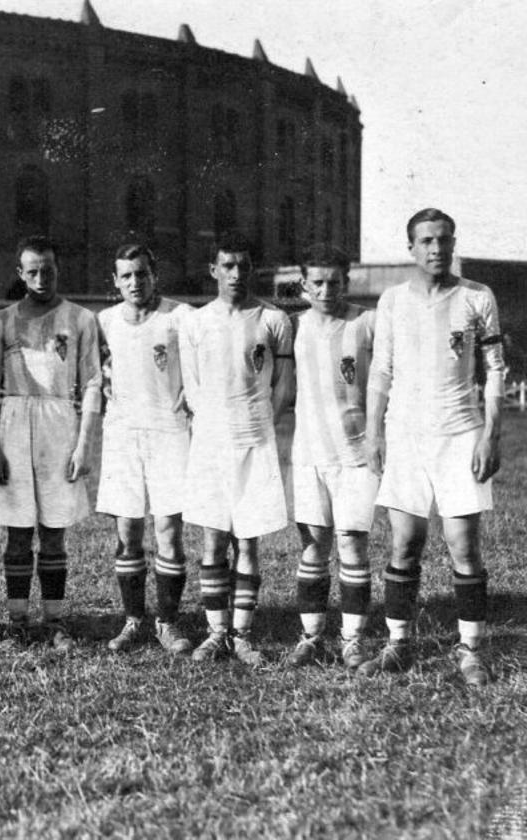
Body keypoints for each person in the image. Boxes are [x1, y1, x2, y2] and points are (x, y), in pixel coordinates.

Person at [359, 208, 505, 687]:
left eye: (443, 240)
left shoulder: (477, 296)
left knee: (463, 545)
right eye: (425, 241)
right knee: (405, 542)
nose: (436, 249)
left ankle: (471, 650)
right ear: (411, 248)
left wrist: (491, 432)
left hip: (460, 433)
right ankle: (398, 644)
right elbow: (380, 371)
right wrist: (375, 433)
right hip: (405, 434)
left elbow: (495, 370)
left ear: (453, 242)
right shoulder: (393, 301)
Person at [0, 236, 102, 651]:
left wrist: (84, 445)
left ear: (57, 268)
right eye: (32, 271)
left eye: (47, 269)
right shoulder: (1, 321)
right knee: (16, 532)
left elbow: (91, 385)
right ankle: (16, 621)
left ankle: (54, 620)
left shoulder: (81, 319)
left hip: (58, 424)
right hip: (13, 423)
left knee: (52, 531)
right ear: (20, 274)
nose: (41, 277)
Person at [178, 232, 293, 667]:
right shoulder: (195, 321)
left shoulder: (274, 319)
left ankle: (242, 634)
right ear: (213, 270)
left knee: (248, 541)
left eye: (244, 265)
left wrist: (262, 424)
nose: (237, 273)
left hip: (255, 440)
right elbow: (192, 387)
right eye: (228, 265)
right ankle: (215, 632)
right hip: (211, 440)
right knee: (212, 540)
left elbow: (283, 387)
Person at [96, 244, 194, 655]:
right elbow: (96, 374)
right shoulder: (104, 321)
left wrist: (192, 390)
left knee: (168, 531)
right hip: (122, 434)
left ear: (156, 275)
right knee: (128, 531)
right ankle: (134, 619)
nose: (135, 283)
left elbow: (201, 361)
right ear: (116, 281)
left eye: (142, 274)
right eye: (127, 276)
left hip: (169, 431)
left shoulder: (180, 316)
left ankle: (168, 622)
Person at [286, 244, 377, 669]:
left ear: (347, 281)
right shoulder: (292, 327)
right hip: (309, 454)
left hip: (356, 453)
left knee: (352, 543)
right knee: (314, 545)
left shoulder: (367, 322)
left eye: (334, 282)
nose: (326, 290)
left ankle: (353, 639)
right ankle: (311, 636)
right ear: (304, 285)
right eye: (317, 282)